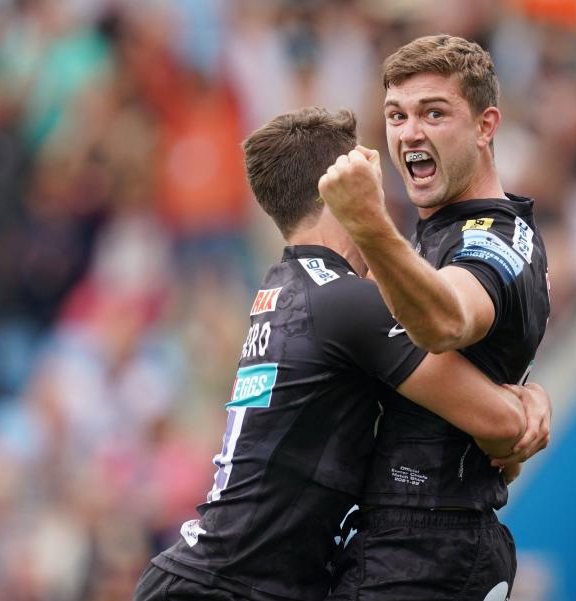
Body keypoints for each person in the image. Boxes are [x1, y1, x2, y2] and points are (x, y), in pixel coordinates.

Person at [132, 107, 550, 601]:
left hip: (215, 578)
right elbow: (499, 425)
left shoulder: (288, 286)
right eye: (370, 177)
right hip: (224, 588)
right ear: (343, 189)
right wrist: (529, 399)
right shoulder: (347, 303)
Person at [318, 35, 551, 600]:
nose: (409, 132)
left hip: (430, 546)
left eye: (434, 113)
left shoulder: (496, 237)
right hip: (394, 537)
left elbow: (445, 320)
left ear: (485, 125)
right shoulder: (433, 236)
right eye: (396, 116)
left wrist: (370, 225)